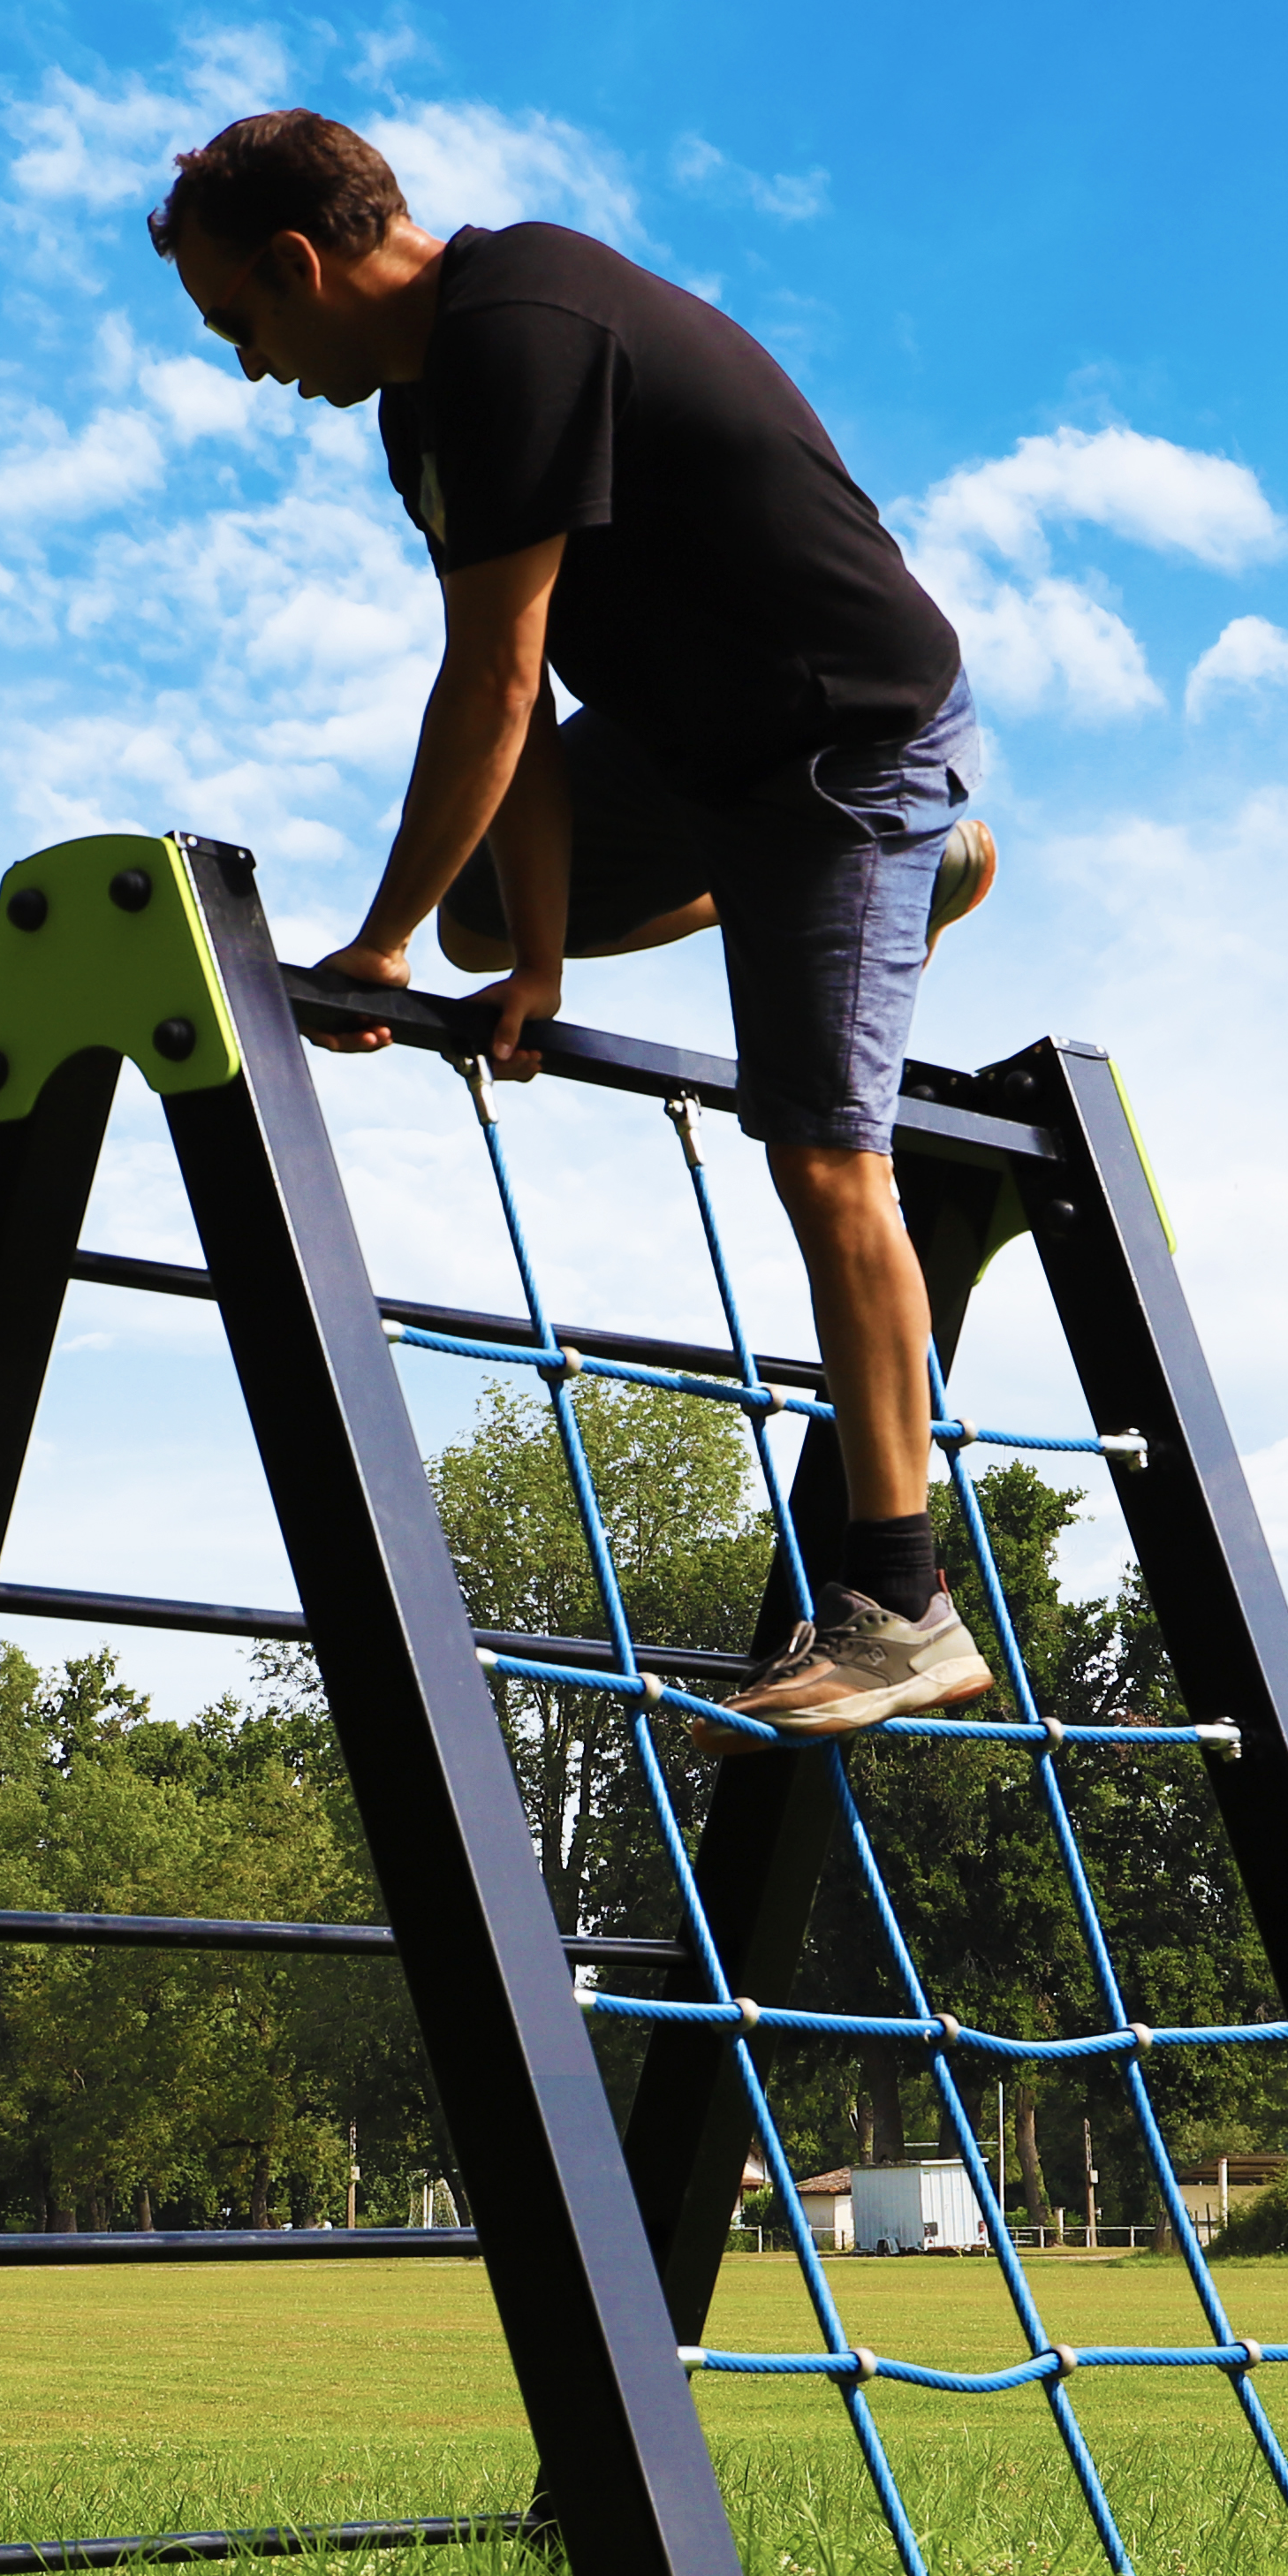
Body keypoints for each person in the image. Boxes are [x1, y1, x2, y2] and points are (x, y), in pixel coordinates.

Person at [149, 110, 999, 1737]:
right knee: (486, 925)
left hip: (850, 741)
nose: (248, 367)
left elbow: (493, 675)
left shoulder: (520, 331)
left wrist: (373, 941)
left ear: (296, 263)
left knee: (824, 1148)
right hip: (697, 759)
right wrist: (522, 954)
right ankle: (882, 898)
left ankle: (904, 1607)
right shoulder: (418, 420)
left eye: (239, 325)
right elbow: (523, 719)